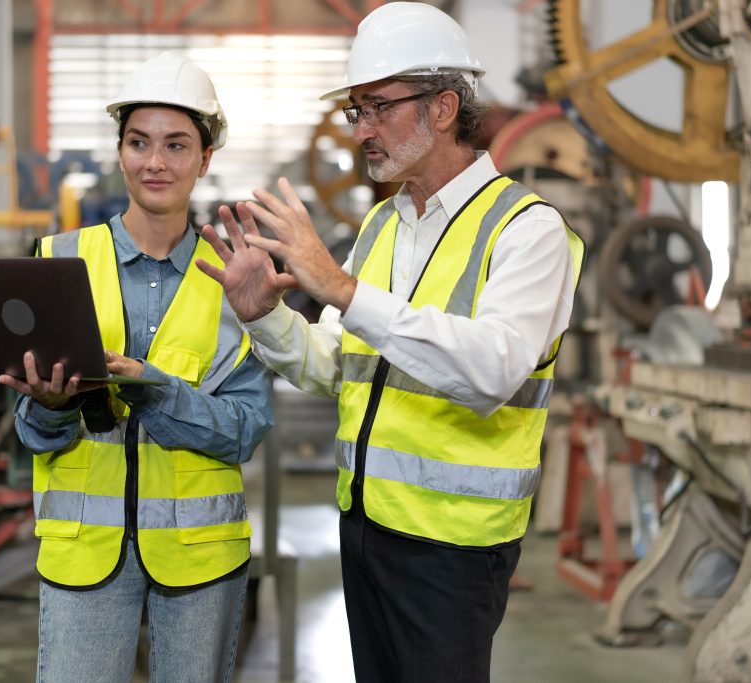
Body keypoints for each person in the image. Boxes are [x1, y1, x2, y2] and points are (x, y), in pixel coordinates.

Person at [197, 3, 585, 681]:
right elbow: (335, 366)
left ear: (442, 108)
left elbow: (492, 368)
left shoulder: (527, 230)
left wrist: (345, 290)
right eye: (356, 111)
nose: (363, 131)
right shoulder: (383, 224)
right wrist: (266, 316)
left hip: (455, 545)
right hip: (366, 525)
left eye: (377, 107)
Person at [0, 52, 273, 683]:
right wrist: (51, 404)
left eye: (177, 145)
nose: (156, 162)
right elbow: (31, 436)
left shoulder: (236, 278)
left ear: (205, 159)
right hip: (82, 555)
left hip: (200, 560)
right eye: (139, 142)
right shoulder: (58, 259)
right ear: (119, 151)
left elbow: (245, 429)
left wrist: (153, 390)